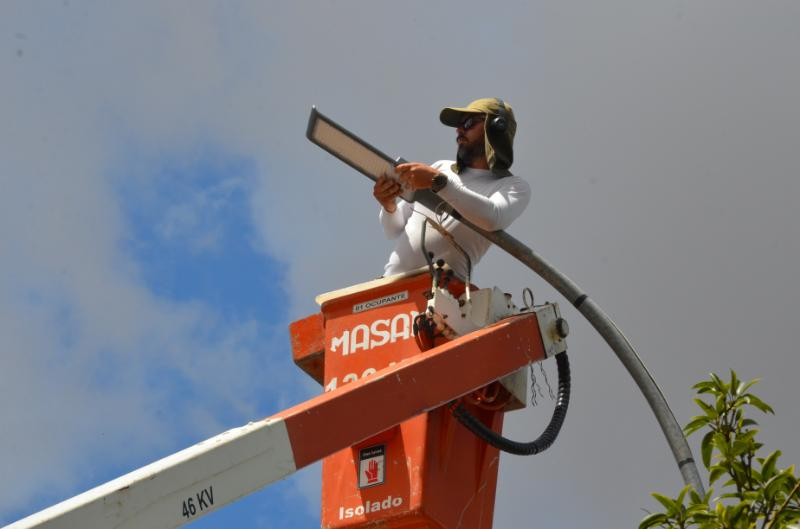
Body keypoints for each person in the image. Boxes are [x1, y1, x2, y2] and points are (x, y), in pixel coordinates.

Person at [373, 98, 531, 280]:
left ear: (495, 128)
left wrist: (438, 182)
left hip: (447, 294)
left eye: (469, 123)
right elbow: (393, 230)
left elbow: (492, 218)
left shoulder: (513, 186)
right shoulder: (441, 168)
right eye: (459, 125)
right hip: (391, 285)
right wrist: (388, 205)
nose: (459, 130)